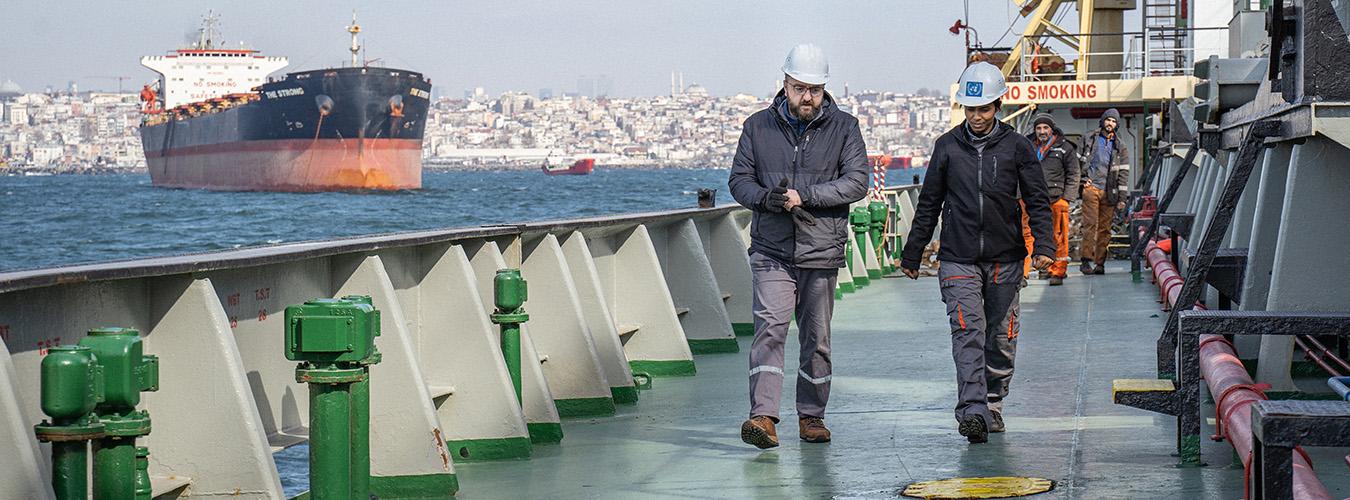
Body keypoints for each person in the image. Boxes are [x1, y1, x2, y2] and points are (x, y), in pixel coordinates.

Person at [899, 62, 1055, 444]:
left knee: (1001, 336)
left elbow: (1037, 199)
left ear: (997, 106)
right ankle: (972, 410)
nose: (976, 117)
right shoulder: (947, 147)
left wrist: (1045, 247)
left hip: (1006, 258)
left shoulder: (1018, 148)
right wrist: (913, 253)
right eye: (970, 110)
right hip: (958, 258)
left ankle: (993, 402)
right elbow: (929, 203)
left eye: (983, 109)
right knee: (967, 332)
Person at [728, 43, 869, 449]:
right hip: (772, 249)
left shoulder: (846, 127)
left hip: (820, 249)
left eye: (814, 89)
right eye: (799, 88)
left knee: (816, 336)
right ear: (784, 84)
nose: (807, 97)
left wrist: (804, 196)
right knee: (769, 329)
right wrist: (765, 198)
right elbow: (740, 181)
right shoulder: (757, 127)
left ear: (824, 89)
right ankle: (763, 417)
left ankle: (812, 416)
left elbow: (857, 182)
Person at [1025, 113, 1079, 285]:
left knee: (1059, 236)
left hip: (1056, 199)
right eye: (1039, 128)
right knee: (1027, 235)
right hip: (1030, 199)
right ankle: (1026, 272)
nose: (1042, 131)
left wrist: (1067, 198)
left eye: (1045, 128)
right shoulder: (1027, 146)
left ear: (1052, 129)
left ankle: (1057, 271)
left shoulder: (1065, 148)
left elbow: (1073, 173)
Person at [1078, 108, 1130, 275]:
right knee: (1090, 225)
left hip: (1110, 192)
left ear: (1117, 125)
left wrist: (1122, 198)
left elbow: (1123, 174)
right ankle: (1086, 261)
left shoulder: (1120, 147)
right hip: (1091, 188)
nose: (1110, 123)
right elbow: (1076, 163)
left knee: (1105, 229)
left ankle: (1100, 263)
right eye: (1108, 120)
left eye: (1114, 121)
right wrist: (1082, 181)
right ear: (1102, 121)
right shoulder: (1089, 138)